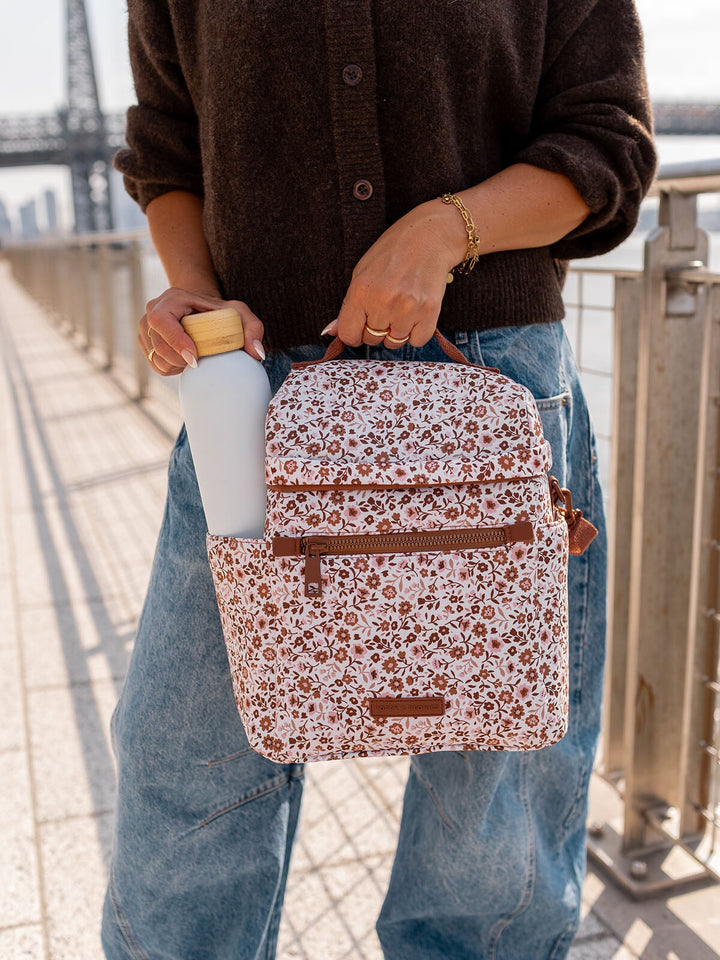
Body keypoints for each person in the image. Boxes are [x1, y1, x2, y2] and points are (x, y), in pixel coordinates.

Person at [102, 2, 656, 958]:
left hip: (490, 390)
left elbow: (608, 143)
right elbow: (167, 144)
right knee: (185, 762)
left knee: (494, 779)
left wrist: (445, 234)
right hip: (256, 403)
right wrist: (191, 284)